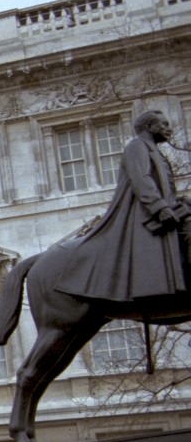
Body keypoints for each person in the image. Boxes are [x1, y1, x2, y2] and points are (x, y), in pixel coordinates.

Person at [54, 110, 188, 302]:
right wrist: (160, 207)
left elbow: (164, 187)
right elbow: (141, 178)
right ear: (149, 127)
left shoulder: (154, 151)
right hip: (144, 214)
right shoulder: (137, 146)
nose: (169, 128)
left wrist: (179, 202)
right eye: (164, 124)